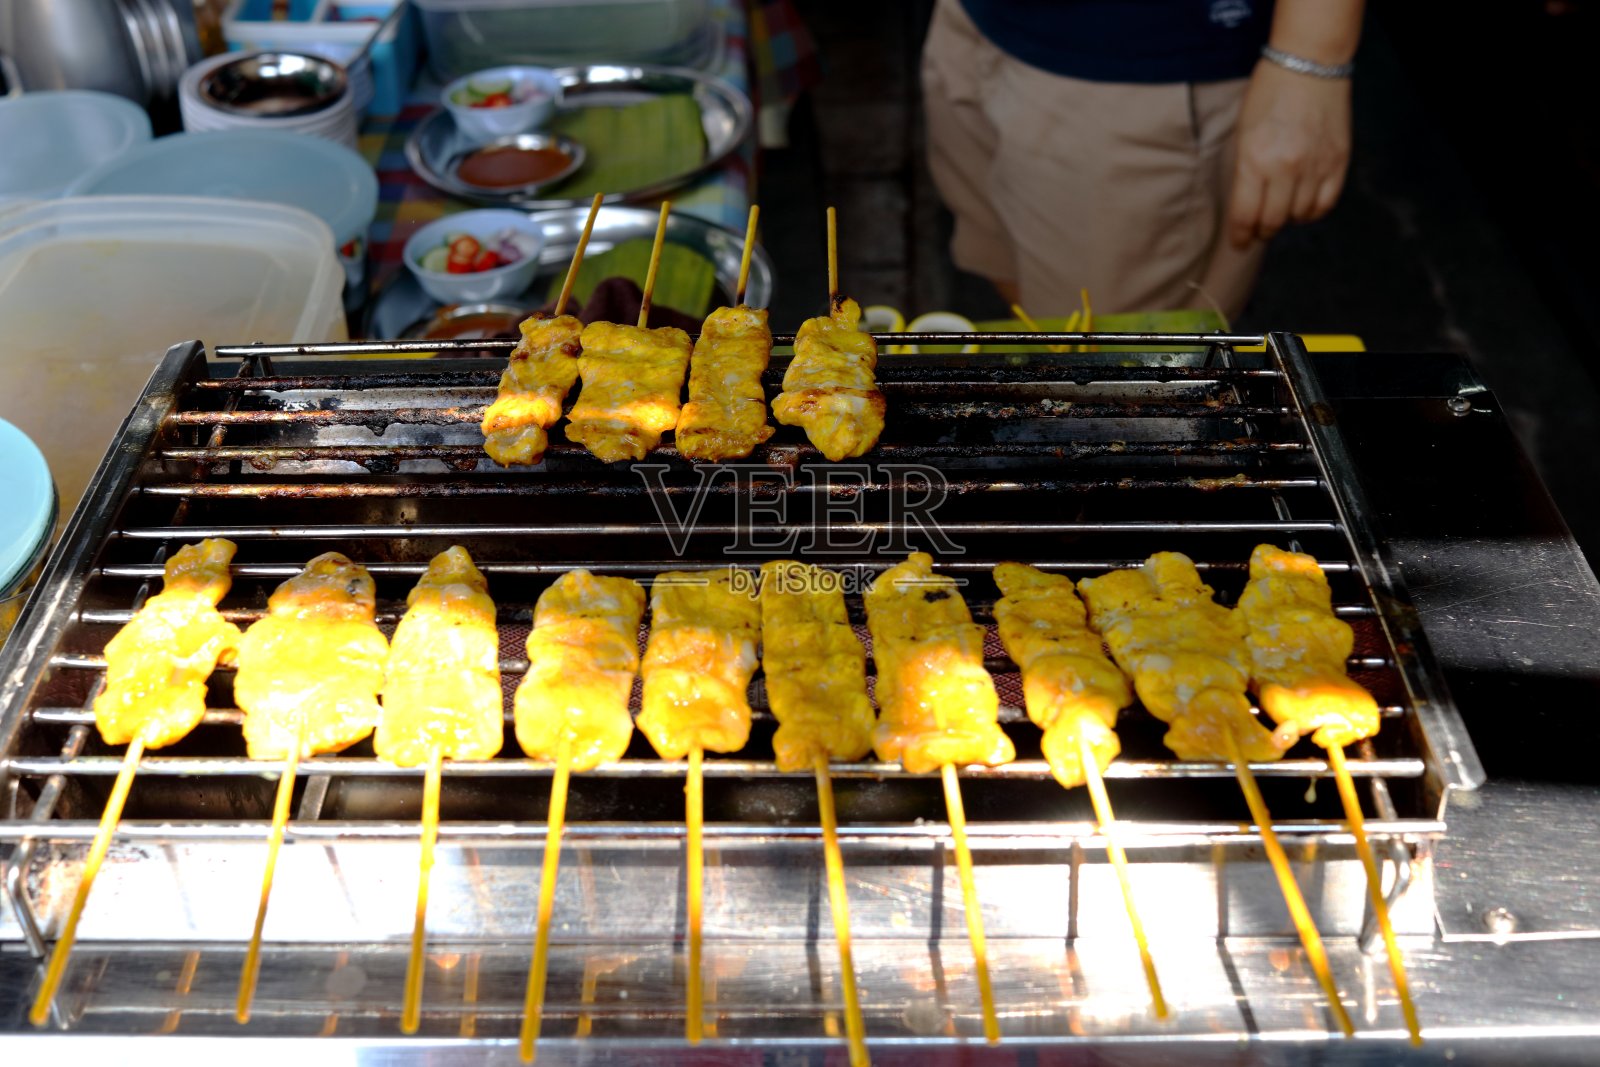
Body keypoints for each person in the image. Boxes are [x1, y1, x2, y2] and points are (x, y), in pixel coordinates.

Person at [922, 0, 1363, 320]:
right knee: (1008, 267)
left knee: (1120, 373)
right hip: (978, 22)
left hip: (1142, 67)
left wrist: (1311, 56)